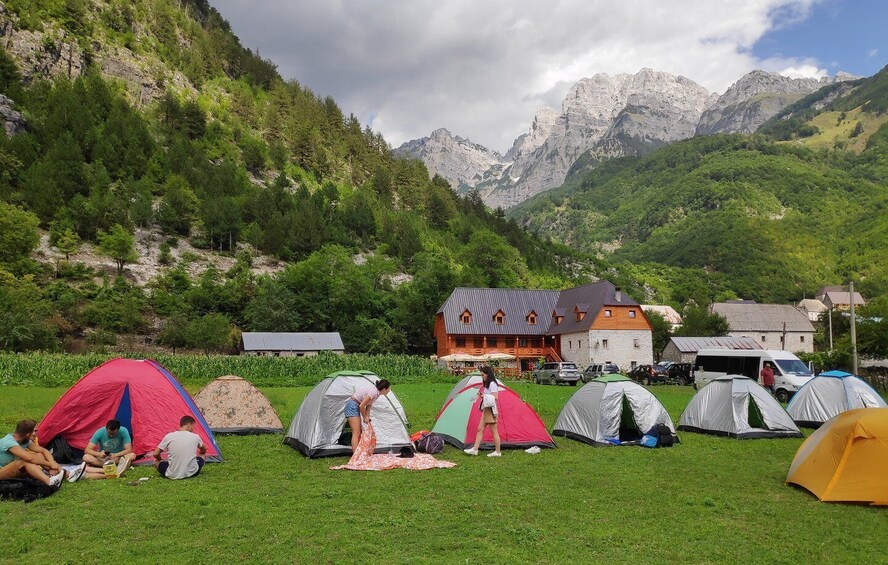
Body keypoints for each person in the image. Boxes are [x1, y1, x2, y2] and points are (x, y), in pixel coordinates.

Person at [0, 419, 73, 488]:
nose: (35, 434)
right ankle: (50, 482)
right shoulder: (8, 442)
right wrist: (51, 464)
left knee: (39, 455)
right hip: (2, 472)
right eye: (34, 431)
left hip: (14, 470)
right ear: (28, 434)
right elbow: (29, 458)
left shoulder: (24, 440)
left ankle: (68, 474)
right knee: (24, 461)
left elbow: (43, 450)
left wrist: (52, 464)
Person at [464, 366, 502, 457]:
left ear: (488, 374)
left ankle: (497, 452)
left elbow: (495, 397)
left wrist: (483, 396)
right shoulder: (487, 384)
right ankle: (475, 449)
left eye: (483, 375)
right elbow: (488, 395)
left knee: (494, 431)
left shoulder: (492, 384)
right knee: (480, 429)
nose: (482, 377)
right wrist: (482, 395)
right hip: (486, 409)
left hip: (490, 410)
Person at [345, 379, 392, 452]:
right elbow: (362, 406)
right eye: (388, 389)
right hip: (352, 405)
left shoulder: (377, 394)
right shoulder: (373, 392)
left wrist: (367, 417)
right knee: (356, 433)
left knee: (359, 432)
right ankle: (355, 456)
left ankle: (358, 453)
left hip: (356, 405)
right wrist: (364, 417)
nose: (389, 390)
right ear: (384, 389)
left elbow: (368, 406)